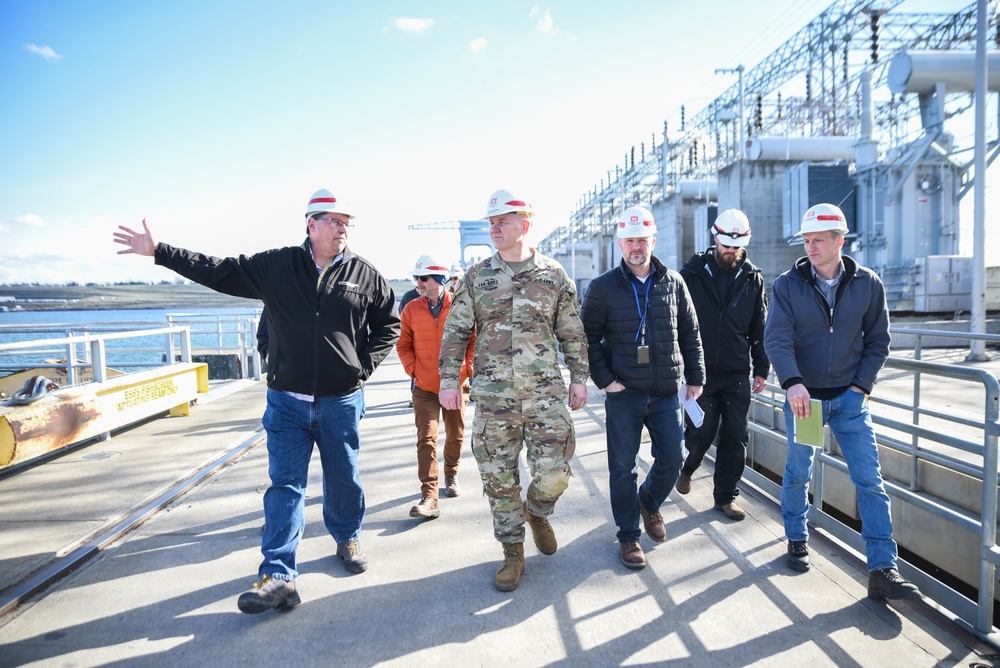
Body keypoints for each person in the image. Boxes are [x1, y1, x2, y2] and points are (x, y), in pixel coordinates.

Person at [113, 188, 401, 613]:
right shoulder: (277, 265)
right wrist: (160, 251)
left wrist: (361, 368)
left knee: (344, 477)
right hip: (286, 401)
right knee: (285, 486)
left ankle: (347, 537)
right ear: (311, 224)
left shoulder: (365, 275)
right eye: (334, 220)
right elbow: (221, 271)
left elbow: (388, 326)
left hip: (341, 400)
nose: (342, 228)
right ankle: (278, 575)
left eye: (347, 222)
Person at [764, 202, 920, 600]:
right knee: (799, 472)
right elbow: (777, 339)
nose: (810, 247)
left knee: (870, 482)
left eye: (818, 240)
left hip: (850, 402)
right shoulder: (787, 286)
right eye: (807, 240)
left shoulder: (868, 284)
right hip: (808, 402)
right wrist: (794, 382)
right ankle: (797, 539)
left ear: (839, 241)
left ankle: (883, 569)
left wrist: (861, 387)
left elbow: (879, 341)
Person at [438, 188, 589, 592]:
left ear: (525, 224)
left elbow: (571, 330)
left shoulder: (553, 275)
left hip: (543, 396)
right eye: (491, 222)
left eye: (502, 221)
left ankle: (537, 511)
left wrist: (579, 376)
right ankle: (513, 554)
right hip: (493, 398)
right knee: (498, 479)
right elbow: (455, 331)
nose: (494, 228)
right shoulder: (478, 277)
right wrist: (450, 381)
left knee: (555, 473)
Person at [580, 205, 705, 570]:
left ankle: (649, 502)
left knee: (673, 457)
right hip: (625, 393)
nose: (636, 246)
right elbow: (587, 339)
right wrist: (606, 380)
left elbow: (690, 333)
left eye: (642, 239)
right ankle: (628, 536)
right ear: (621, 243)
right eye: (630, 240)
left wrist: (695, 378)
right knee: (622, 468)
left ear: (654, 240)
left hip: (667, 390)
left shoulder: (674, 282)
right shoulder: (603, 288)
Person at [677, 209, 769, 521]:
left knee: (735, 435)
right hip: (698, 371)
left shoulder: (752, 278)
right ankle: (688, 467)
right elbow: (674, 319)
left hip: (735, 371)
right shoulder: (691, 273)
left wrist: (761, 367)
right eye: (725, 245)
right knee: (702, 430)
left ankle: (725, 497)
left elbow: (760, 326)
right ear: (715, 237)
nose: (730, 251)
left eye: (736, 247)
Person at [397, 253, 474, 519]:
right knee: (426, 439)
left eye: (423, 277)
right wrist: (414, 370)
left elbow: (474, 340)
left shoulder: (460, 306)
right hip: (425, 388)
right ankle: (429, 495)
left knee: (455, 435)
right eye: (416, 277)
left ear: (438, 280)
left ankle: (451, 474)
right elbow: (403, 344)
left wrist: (468, 370)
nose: (418, 282)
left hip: (456, 385)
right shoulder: (410, 309)